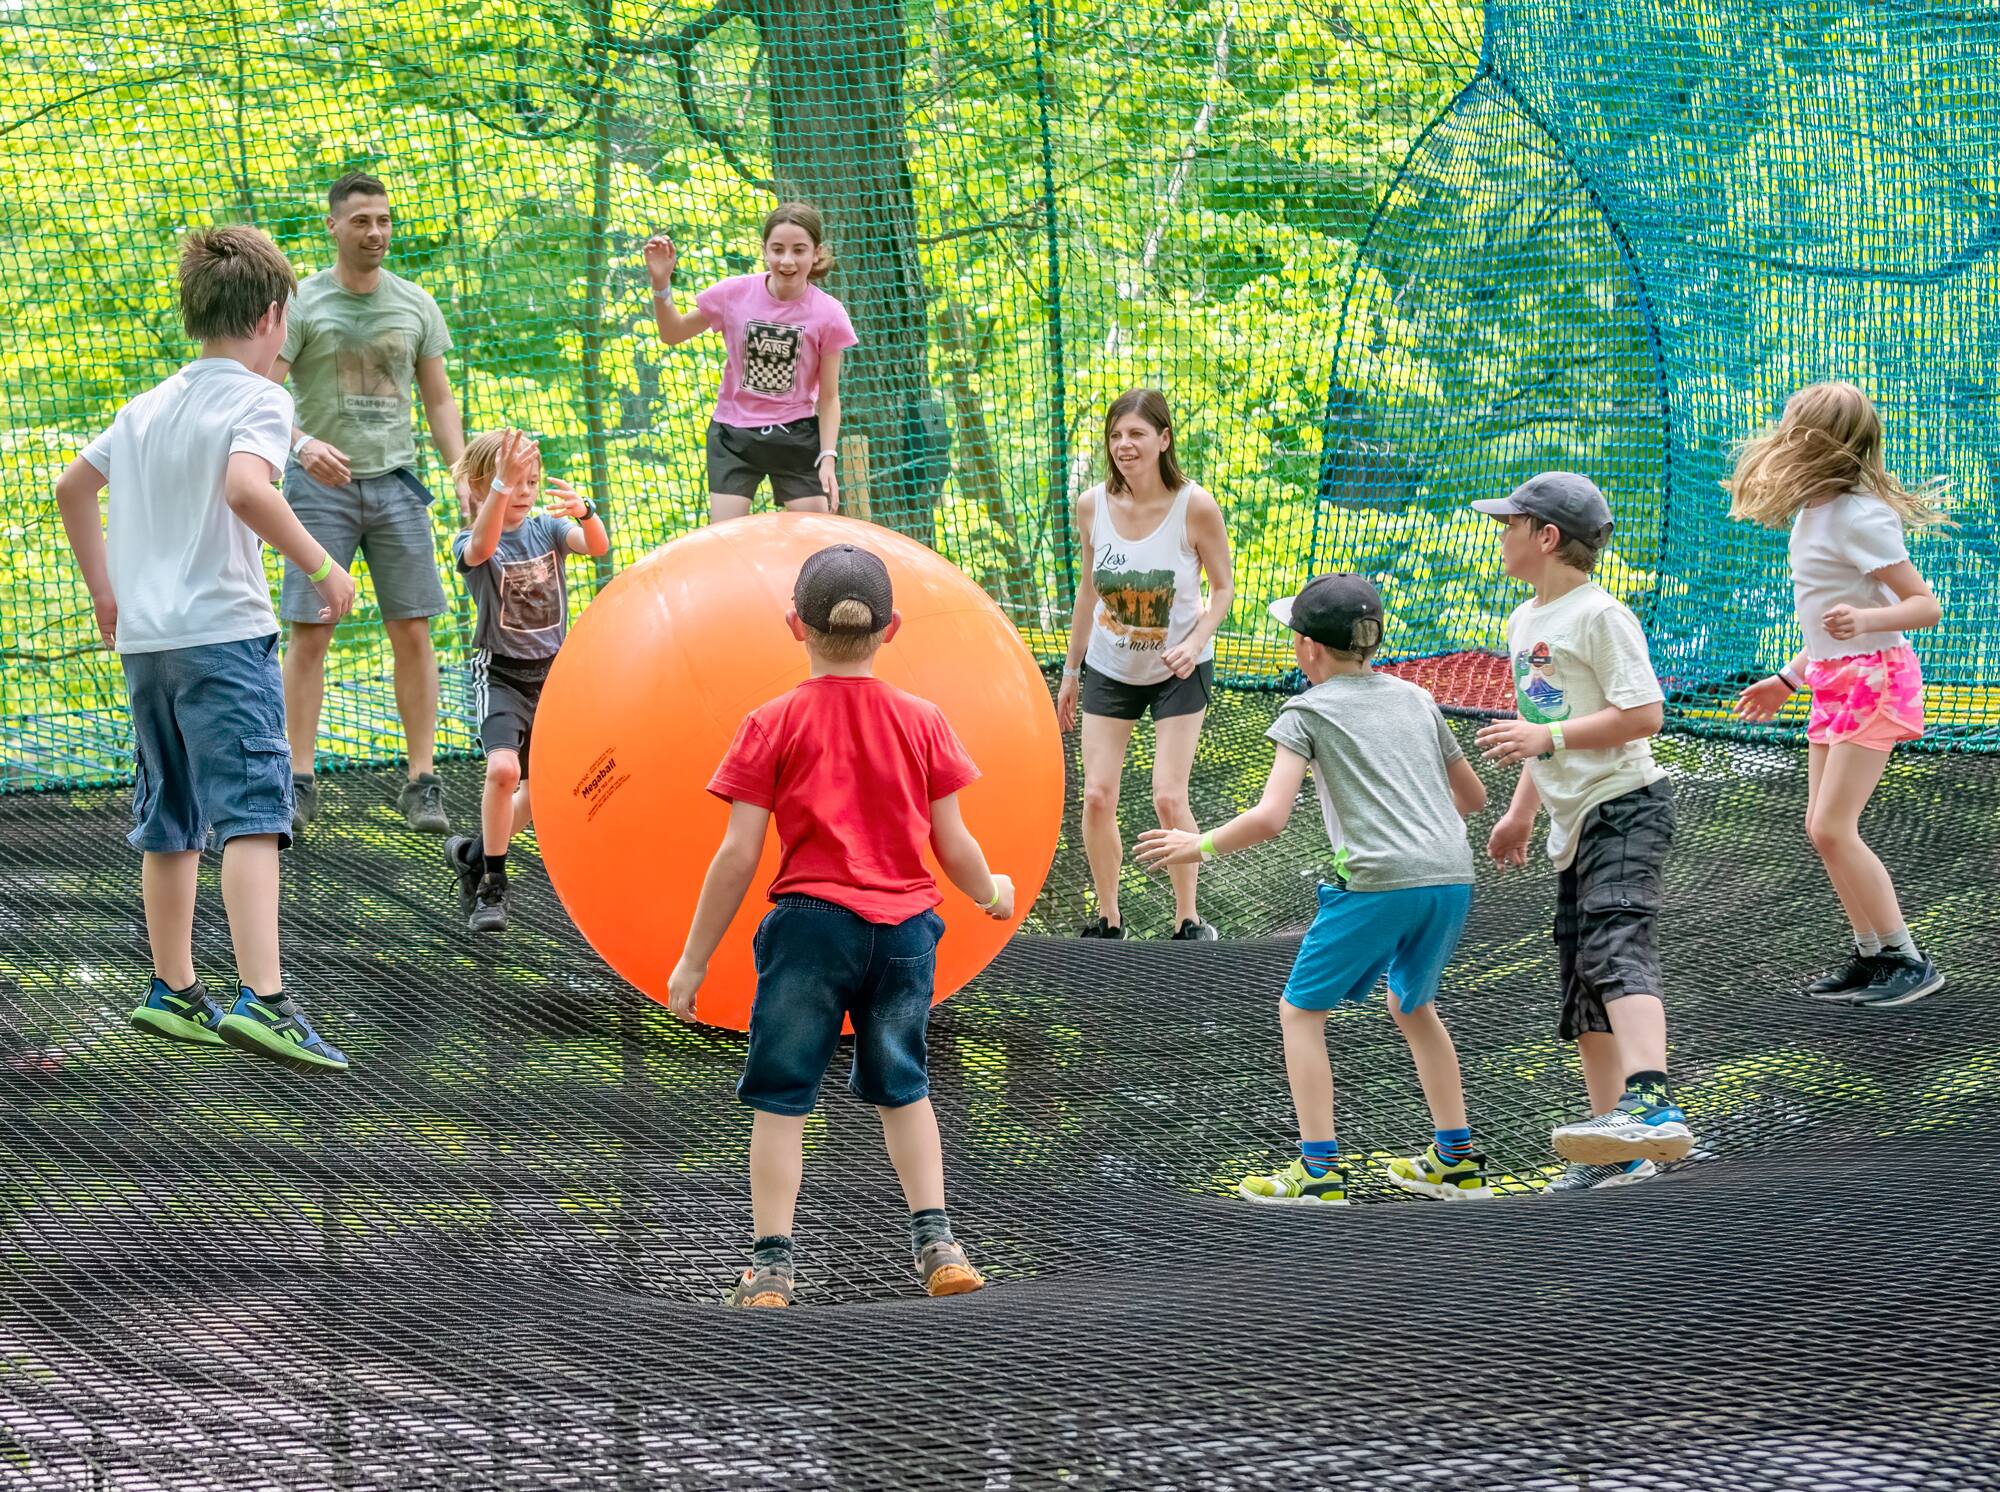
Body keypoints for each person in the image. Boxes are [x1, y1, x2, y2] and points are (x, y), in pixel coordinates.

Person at [666, 544, 1014, 1307]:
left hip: (811, 928)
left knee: (781, 1097)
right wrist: (991, 891)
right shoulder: (923, 720)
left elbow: (737, 855)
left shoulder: (771, 722)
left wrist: (692, 961)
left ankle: (772, 1266)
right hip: (904, 935)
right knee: (905, 1089)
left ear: (796, 626)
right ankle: (938, 1243)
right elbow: (951, 843)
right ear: (892, 630)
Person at [52, 225, 358, 1073]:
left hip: (147, 644)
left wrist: (106, 592)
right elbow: (245, 488)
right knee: (256, 813)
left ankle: (174, 988)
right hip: (221, 637)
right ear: (271, 317)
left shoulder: (146, 405)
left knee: (170, 818)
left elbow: (72, 485)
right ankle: (265, 998)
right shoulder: (260, 398)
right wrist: (322, 567)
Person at [1136, 575, 1492, 1205]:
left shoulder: (1307, 711)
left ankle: (1319, 1171)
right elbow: (1473, 798)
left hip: (1379, 883)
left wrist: (1199, 844)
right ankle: (1457, 1161)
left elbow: (1272, 817)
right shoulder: (1417, 700)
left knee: (1300, 1012)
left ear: (1307, 648)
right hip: (1451, 876)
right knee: (1412, 1007)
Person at [1473, 472, 1692, 1191]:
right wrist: (1520, 813)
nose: (1499, 534)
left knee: (1617, 941)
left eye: (1510, 523)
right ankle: (1617, 1149)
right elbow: (1542, 731)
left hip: (1626, 803)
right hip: (1574, 820)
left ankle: (1653, 1106)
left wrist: (1550, 740)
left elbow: (1644, 714)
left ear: (1546, 538)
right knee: (1583, 982)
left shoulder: (1599, 615)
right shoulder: (1521, 620)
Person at [1727, 380, 1947, 1008]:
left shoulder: (1859, 515)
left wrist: (1868, 619)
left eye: (1792, 426)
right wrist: (1788, 679)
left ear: (1816, 441)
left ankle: (1908, 959)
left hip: (1875, 680)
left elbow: (1923, 607)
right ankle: (1872, 955)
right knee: (1819, 829)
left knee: (1833, 824)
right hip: (1833, 680)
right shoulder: (1813, 514)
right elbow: (1826, 629)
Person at [274, 171, 471, 839]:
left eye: (384, 220)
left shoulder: (416, 305)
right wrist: (300, 446)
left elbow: (439, 400)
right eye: (361, 221)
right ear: (333, 226)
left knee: (413, 629)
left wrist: (460, 467)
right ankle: (297, 779)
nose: (376, 232)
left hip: (397, 485)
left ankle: (421, 780)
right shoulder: (298, 304)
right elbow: (262, 398)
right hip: (317, 490)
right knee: (312, 631)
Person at [1055, 389, 1234, 941]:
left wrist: (1196, 637)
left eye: (1136, 434)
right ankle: (1109, 919)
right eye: (1115, 435)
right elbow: (1087, 593)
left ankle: (1189, 920)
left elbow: (1224, 589)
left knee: (1166, 795)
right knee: (1096, 794)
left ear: (1163, 439)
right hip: (1111, 667)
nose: (1124, 445)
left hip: (1180, 668)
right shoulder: (1092, 506)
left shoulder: (1194, 506)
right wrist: (1070, 671)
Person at [441, 430, 609, 933]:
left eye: (531, 482)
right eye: (513, 483)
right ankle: (492, 880)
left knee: (544, 790)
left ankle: (473, 851)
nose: (525, 492)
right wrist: (500, 487)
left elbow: (597, 546)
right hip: (502, 675)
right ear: (481, 485)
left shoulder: (547, 532)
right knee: (503, 772)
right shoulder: (470, 542)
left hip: (553, 677)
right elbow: (483, 544)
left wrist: (585, 511)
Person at [643, 203, 856, 522]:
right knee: (728, 540)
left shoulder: (829, 314)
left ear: (816, 253)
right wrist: (661, 285)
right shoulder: (733, 294)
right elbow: (672, 333)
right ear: (764, 251)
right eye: (778, 249)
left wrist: (827, 456)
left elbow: (829, 396)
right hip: (734, 435)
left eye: (799, 250)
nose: (787, 260)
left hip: (795, 435)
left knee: (817, 535)